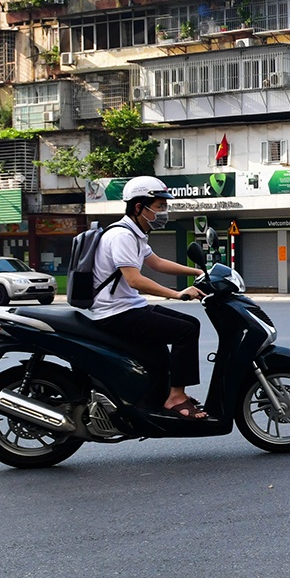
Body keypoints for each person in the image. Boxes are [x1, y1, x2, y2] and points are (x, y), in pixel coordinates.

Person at [88, 176, 209, 418]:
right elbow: (135, 280)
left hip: (127, 308)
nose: (164, 212)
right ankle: (175, 397)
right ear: (138, 207)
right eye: (159, 206)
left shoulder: (135, 233)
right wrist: (177, 294)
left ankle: (161, 396)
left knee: (181, 332)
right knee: (185, 330)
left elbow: (157, 263)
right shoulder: (121, 235)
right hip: (116, 313)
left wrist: (198, 271)